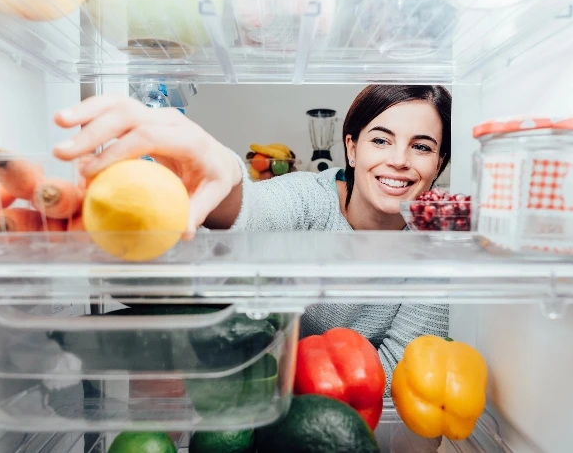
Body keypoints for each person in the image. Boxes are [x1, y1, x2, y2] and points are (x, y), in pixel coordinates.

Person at [53, 84, 451, 394]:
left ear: (439, 165)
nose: (399, 159)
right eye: (380, 140)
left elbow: (407, 369)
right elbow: (254, 210)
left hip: (352, 411)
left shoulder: (435, 246)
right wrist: (222, 172)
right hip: (262, 392)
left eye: (421, 147)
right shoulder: (310, 197)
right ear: (351, 147)